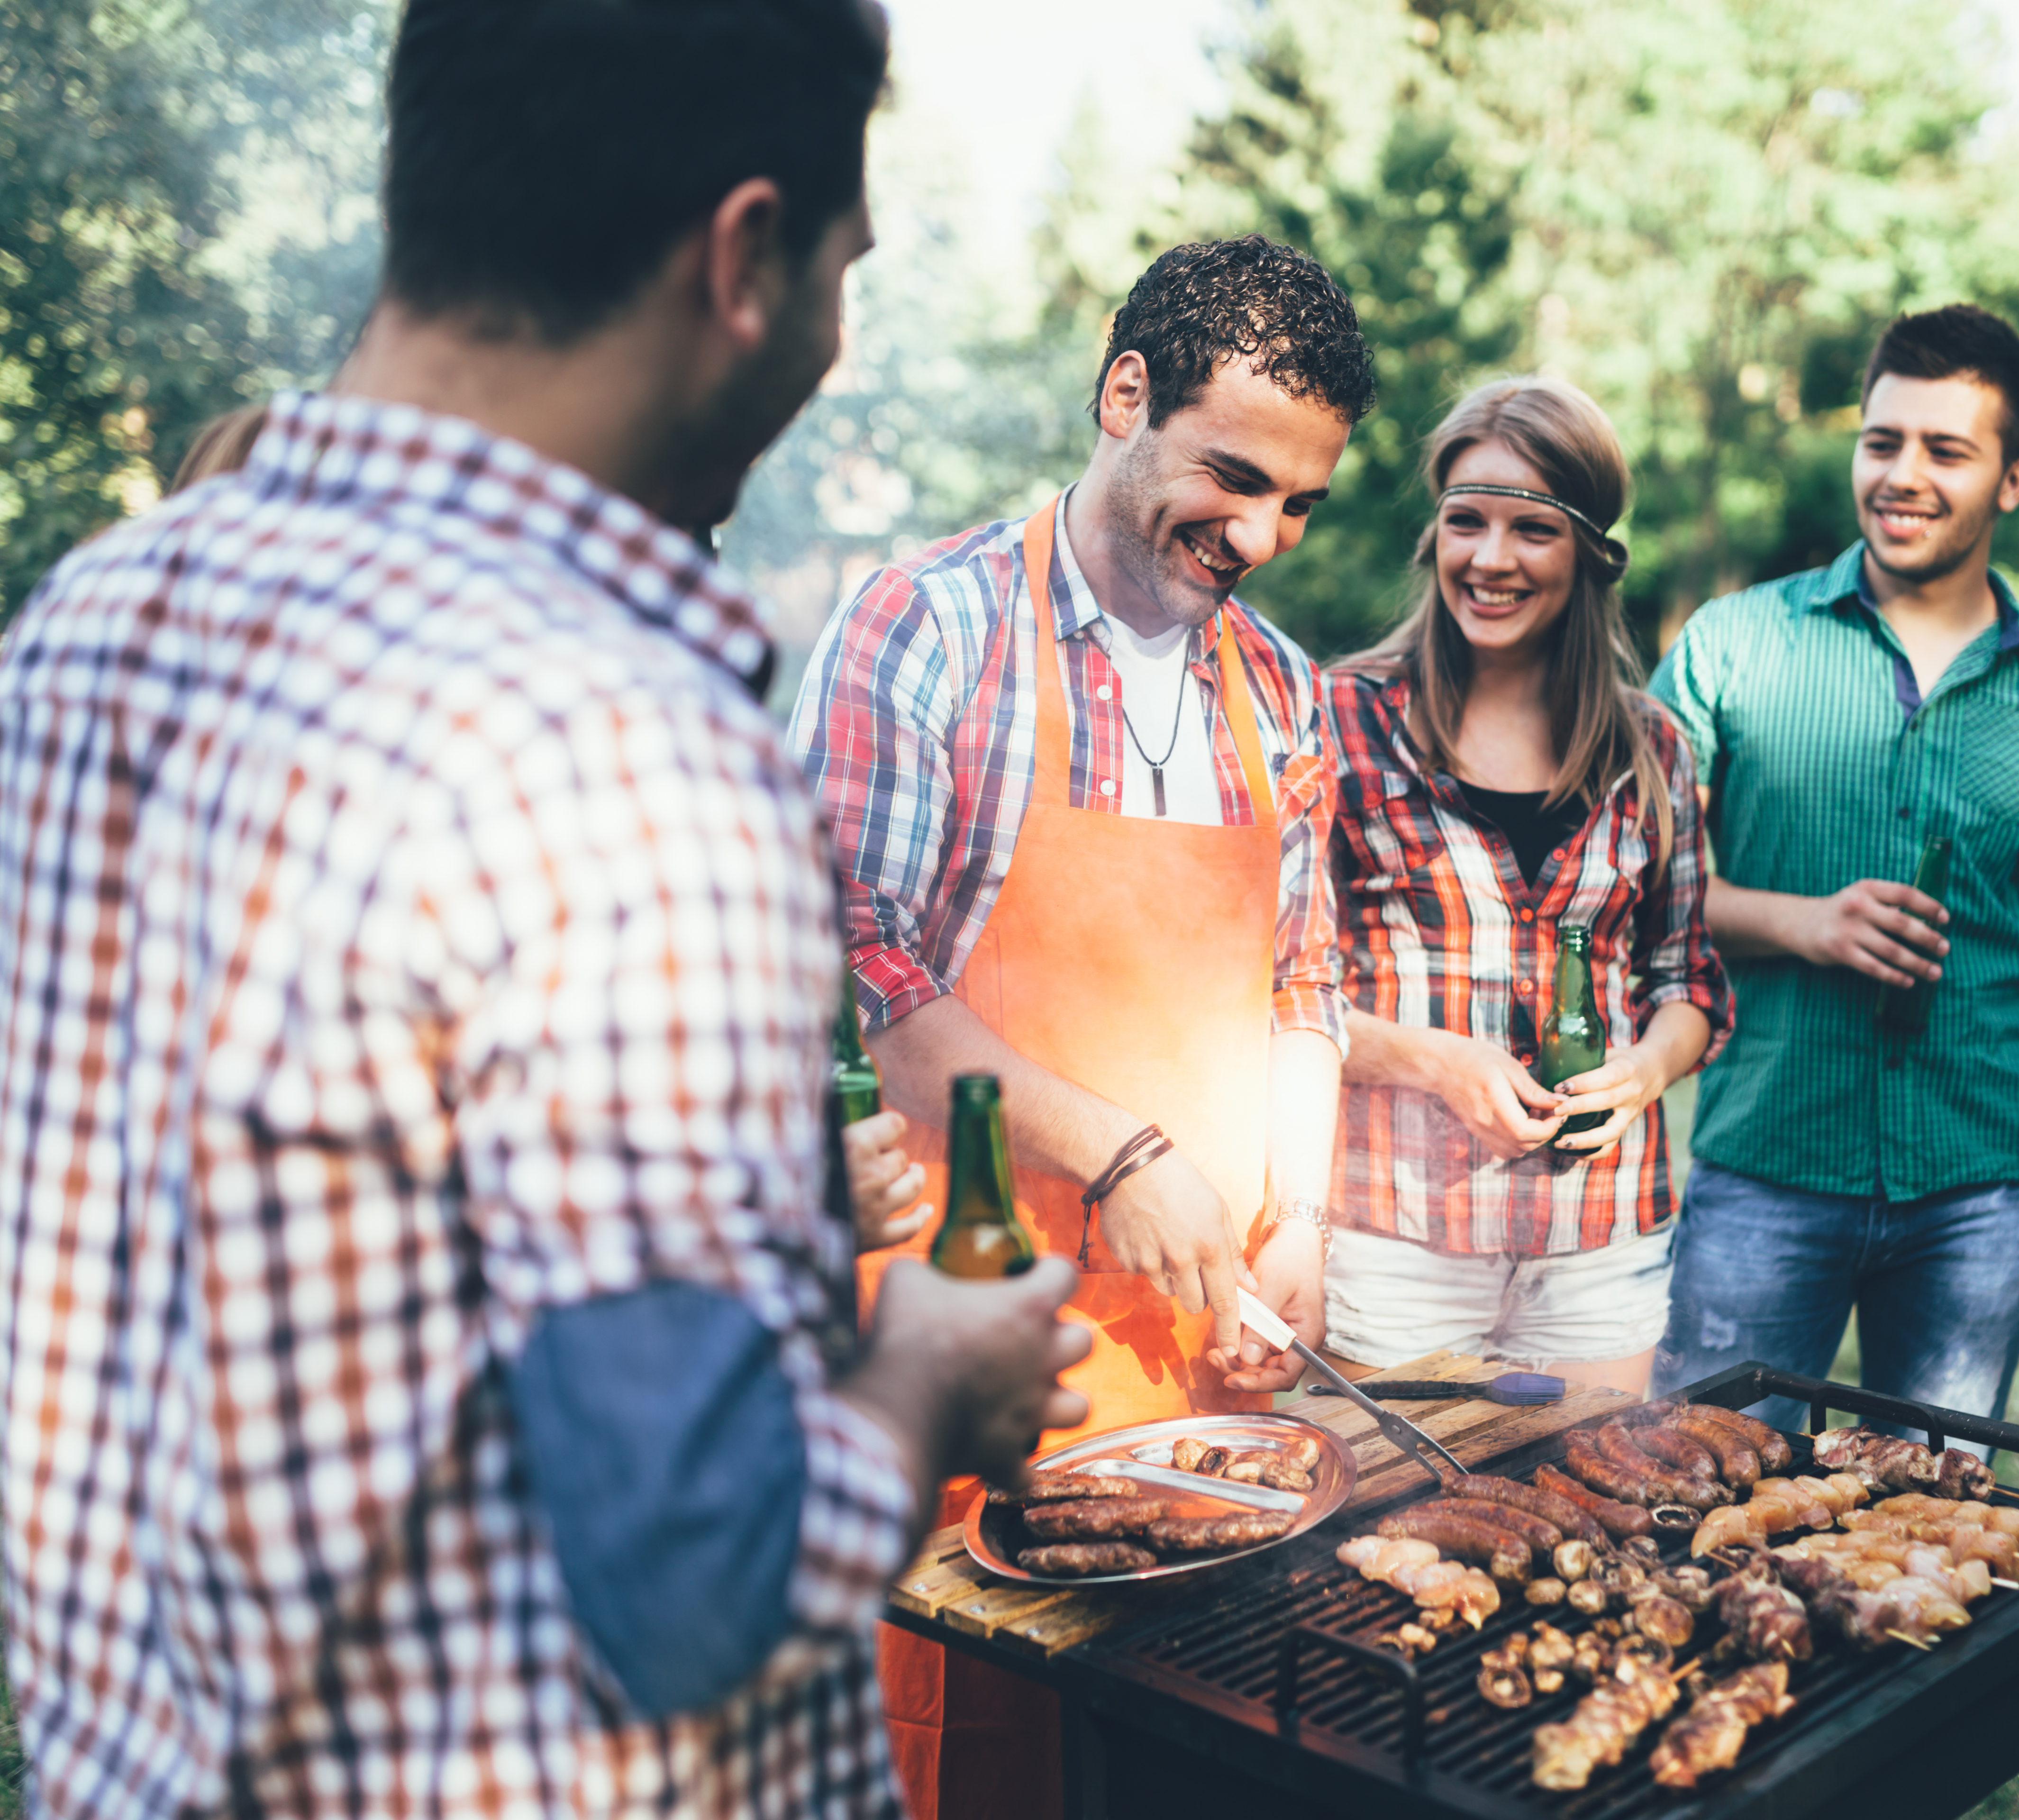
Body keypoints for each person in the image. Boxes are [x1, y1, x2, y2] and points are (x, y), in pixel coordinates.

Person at [0, 4, 1094, 1815]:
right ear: (744, 255)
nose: (834, 335)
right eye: (845, 271)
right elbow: (699, 1588)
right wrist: (924, 1379)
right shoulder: (621, 747)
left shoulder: (87, 628)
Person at [789, 232, 1372, 1817]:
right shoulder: (925, 630)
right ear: (1126, 393)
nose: (1261, 534)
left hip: (1211, 1362)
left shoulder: (1284, 690)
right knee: (975, 1762)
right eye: (1234, 476)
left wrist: (1303, 1213)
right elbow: (865, 978)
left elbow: (1304, 986)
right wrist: (1119, 1152)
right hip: (973, 1346)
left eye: (1300, 504)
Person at [1646, 303, 2019, 1429]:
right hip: (1770, 1158)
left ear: (2012, 479)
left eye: (1946, 451)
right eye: (1883, 443)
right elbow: (1640, 895)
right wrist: (1803, 923)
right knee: (1704, 1496)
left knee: (1924, 1534)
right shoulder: (1730, 648)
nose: (1903, 476)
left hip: (1985, 1182)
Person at [1321, 376, 1730, 1391]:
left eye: (1532, 530)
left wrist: (1643, 1073)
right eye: (1466, 521)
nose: (1490, 559)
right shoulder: (1339, 720)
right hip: (1396, 1228)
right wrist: (1432, 1062)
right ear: (1434, 537)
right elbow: (1271, 990)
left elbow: (1691, 982)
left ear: (1591, 554)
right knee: (1397, 1536)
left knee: (1593, 1528)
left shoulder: (1654, 749)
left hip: (1598, 1235)